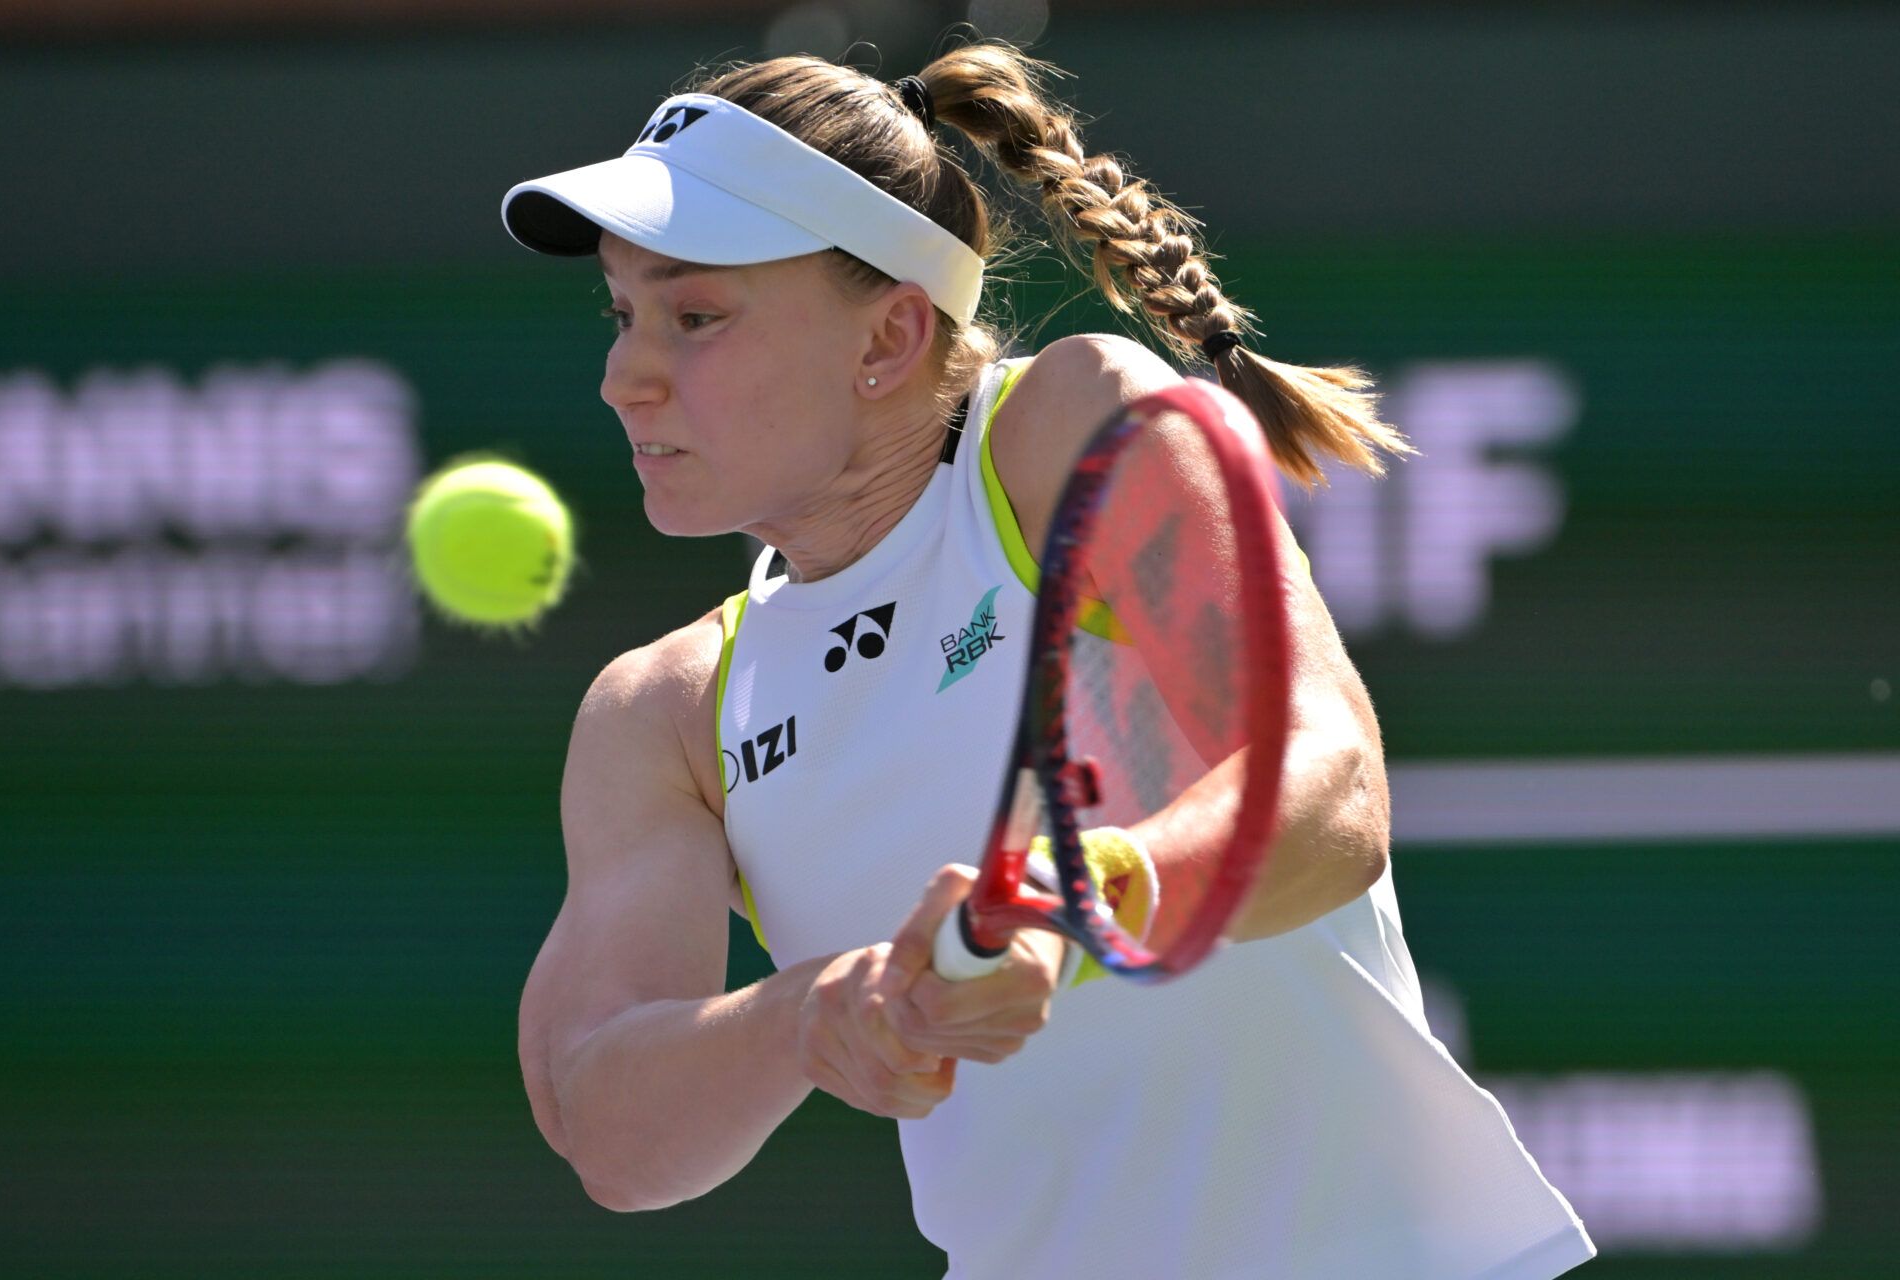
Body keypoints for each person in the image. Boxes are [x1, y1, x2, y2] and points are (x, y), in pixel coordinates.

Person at [505, 42, 1596, 1280]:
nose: (623, 377)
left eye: (694, 315)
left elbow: (1329, 794)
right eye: (624, 314)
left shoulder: (1071, 429)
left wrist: (1070, 905)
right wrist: (812, 1018)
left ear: (890, 336)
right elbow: (604, 1120)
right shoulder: (667, 709)